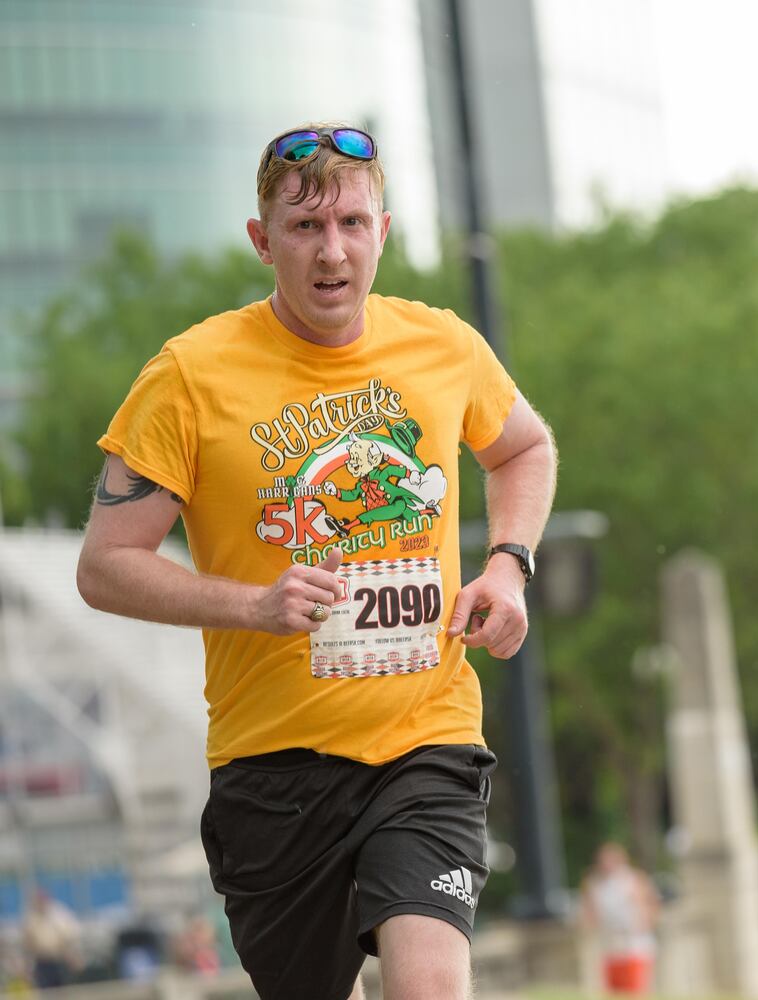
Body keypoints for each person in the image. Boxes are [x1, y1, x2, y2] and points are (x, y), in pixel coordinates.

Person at [76, 122, 558, 1000]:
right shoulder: (188, 377)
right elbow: (105, 566)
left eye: (350, 223)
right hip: (274, 770)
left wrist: (507, 565)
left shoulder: (442, 346)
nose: (330, 251)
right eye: (303, 228)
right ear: (263, 241)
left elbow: (524, 448)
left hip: (426, 738)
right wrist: (253, 605)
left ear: (385, 230)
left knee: (430, 986)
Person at [579, 842, 660, 996]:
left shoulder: (633, 880)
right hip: (610, 945)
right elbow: (590, 912)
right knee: (615, 992)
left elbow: (651, 905)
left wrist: (643, 922)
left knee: (634, 991)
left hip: (633, 944)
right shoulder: (596, 884)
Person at [20, 889, 82, 990]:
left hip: (60, 959)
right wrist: (27, 967)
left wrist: (74, 956)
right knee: (46, 991)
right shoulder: (30, 919)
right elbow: (28, 945)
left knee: (63, 990)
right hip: (42, 962)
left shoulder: (59, 915)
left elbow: (70, 937)